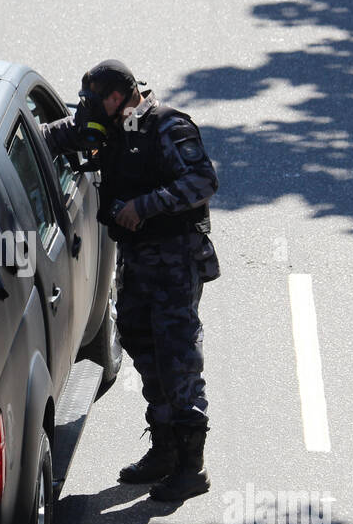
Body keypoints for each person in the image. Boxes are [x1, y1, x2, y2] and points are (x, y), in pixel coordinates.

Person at [39, 60, 219, 501]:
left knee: (177, 354)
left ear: (121, 94)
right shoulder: (107, 126)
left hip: (175, 259)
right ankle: (164, 450)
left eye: (99, 97)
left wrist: (145, 206)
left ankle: (191, 467)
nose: (93, 107)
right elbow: (50, 137)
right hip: (137, 259)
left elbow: (202, 180)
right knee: (141, 343)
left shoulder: (167, 126)